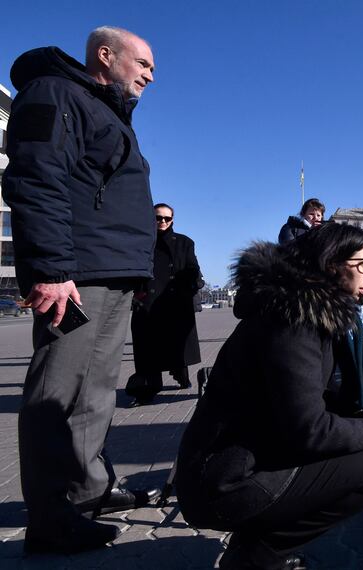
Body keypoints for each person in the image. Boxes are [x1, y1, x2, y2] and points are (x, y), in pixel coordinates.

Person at [2, 27, 160, 553]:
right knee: (57, 393)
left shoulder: (105, 110)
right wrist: (49, 267)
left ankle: (88, 490)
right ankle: (49, 519)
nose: (150, 74)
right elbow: (34, 177)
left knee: (96, 392)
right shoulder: (55, 93)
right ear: (105, 54)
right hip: (74, 278)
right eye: (143, 62)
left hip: (110, 274)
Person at [176, 223, 363, 570]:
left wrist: (359, 422)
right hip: (224, 483)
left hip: (235, 462)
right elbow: (310, 430)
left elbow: (304, 401)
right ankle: (256, 555)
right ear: (331, 266)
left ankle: (255, 544)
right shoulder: (293, 323)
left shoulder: (293, 310)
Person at [128, 203, 204, 402]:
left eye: (166, 218)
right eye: (158, 218)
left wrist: (192, 285)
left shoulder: (184, 242)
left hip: (175, 301)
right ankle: (146, 390)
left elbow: (192, 267)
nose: (162, 222)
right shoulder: (140, 243)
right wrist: (137, 294)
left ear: (172, 220)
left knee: (176, 347)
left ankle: (181, 375)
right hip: (148, 303)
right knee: (147, 350)